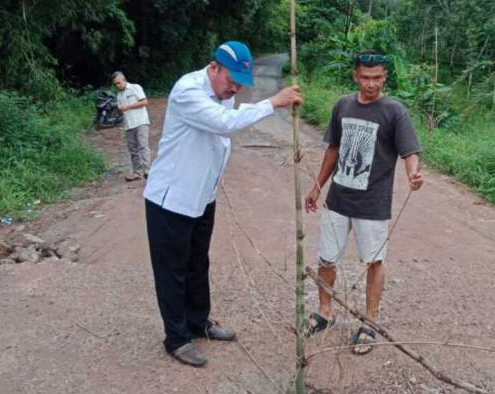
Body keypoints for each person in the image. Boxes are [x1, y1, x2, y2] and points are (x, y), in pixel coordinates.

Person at [144, 41, 303, 367]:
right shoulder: (188, 90)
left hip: (202, 196)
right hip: (171, 199)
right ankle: (176, 338)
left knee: (198, 264)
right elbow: (223, 124)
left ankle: (198, 322)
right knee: (172, 271)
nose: (234, 89)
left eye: (239, 85)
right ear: (213, 67)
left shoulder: (222, 95)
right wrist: (274, 102)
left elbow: (223, 129)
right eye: (231, 81)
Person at [304, 50, 424, 355]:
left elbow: (409, 151)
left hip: (373, 203)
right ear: (356, 76)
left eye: (378, 78)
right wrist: (318, 186)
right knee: (327, 258)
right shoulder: (343, 105)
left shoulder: (395, 111)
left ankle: (369, 322)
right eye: (366, 77)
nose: (372, 84)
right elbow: (333, 149)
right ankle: (324, 312)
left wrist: (413, 174)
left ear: (384, 77)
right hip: (338, 199)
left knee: (373, 260)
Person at [112, 71, 151, 182]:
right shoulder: (119, 95)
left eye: (118, 83)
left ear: (124, 80)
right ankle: (137, 172)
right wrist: (119, 111)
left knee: (143, 146)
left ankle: (148, 171)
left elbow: (144, 102)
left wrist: (128, 106)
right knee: (133, 149)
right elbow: (121, 110)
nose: (117, 86)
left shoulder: (135, 88)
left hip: (141, 121)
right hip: (129, 124)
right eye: (115, 84)